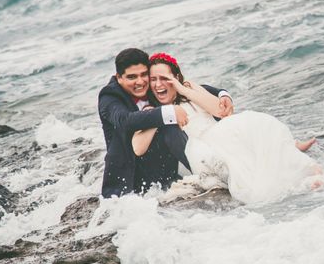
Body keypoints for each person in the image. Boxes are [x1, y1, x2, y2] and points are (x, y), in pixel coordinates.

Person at [132, 52, 320, 204]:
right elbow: (138, 148)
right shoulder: (154, 110)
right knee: (244, 156)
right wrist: (159, 116)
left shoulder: (190, 89)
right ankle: (289, 152)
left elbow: (220, 111)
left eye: (164, 78)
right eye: (153, 79)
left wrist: (183, 90)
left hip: (221, 133)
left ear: (176, 77)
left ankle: (295, 156)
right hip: (200, 150)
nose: (158, 85)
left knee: (256, 121)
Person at [98, 48, 233, 198]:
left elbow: (193, 88)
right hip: (128, 177)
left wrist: (222, 93)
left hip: (170, 165)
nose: (140, 81)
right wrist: (168, 112)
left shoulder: (152, 88)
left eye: (144, 75)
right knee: (170, 128)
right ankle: (205, 174)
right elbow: (125, 120)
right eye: (132, 77)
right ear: (119, 77)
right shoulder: (110, 96)